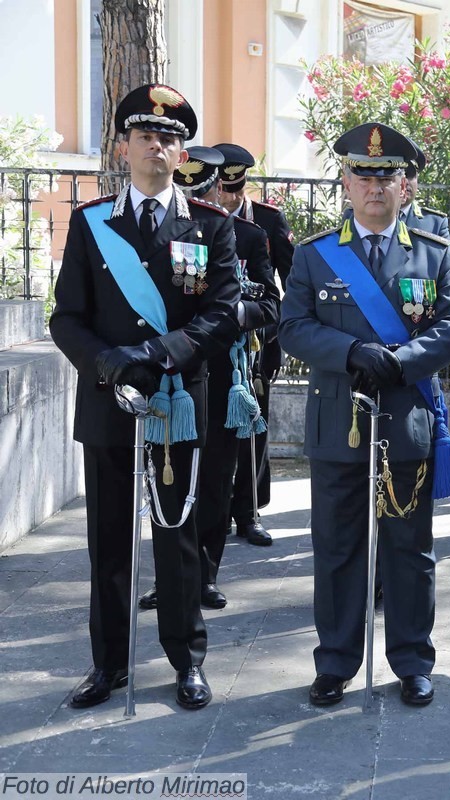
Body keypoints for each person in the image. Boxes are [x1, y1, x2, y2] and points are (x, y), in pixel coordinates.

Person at [50, 84, 241, 710]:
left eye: (169, 137)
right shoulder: (91, 223)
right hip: (109, 402)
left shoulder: (210, 226)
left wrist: (156, 356)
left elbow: (222, 315)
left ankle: (187, 659)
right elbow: (65, 317)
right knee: (108, 541)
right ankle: (108, 664)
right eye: (145, 135)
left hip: (176, 400)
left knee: (178, 536)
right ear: (121, 147)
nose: (157, 145)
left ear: (182, 151)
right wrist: (107, 362)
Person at [278, 122, 450, 708]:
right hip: (340, 423)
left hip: (405, 421)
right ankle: (335, 661)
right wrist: (351, 352)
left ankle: (413, 660)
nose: (375, 185)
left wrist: (402, 360)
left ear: (405, 185)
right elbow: (292, 327)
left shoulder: (433, 253)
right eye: (363, 173)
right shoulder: (315, 256)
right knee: (337, 548)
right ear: (345, 181)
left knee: (409, 549)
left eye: (387, 175)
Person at [135, 147, 280, 613]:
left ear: (217, 187)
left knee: (216, 481)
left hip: (220, 376)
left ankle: (206, 574)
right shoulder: (154, 233)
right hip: (169, 377)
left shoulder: (245, 235)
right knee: (166, 477)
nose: (196, 195)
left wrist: (232, 312)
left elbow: (271, 306)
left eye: (203, 188)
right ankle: (170, 576)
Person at [214, 141, 294, 546]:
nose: (227, 199)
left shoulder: (265, 222)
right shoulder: (201, 222)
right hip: (211, 348)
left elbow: (285, 284)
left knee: (253, 429)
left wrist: (276, 339)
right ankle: (216, 510)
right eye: (220, 190)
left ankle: (248, 510)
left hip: (256, 347)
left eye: (234, 190)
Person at [399, 145, 450, 239]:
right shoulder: (366, 220)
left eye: (409, 174)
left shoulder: (435, 224)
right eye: (398, 176)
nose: (404, 182)